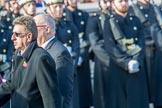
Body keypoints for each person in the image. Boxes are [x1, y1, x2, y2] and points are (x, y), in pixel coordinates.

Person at [0, 15, 61, 108]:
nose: (12, 38)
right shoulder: (18, 55)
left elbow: (50, 98)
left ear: (29, 36)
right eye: (12, 34)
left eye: (16, 34)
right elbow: (10, 85)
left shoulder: (41, 58)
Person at [103, 0, 149, 108]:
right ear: (113, 4)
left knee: (138, 102)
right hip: (119, 70)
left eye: (126, 1)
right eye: (120, 1)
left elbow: (141, 42)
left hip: (137, 68)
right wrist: (127, 62)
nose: (124, 3)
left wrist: (136, 60)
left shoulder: (136, 20)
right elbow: (111, 47)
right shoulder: (108, 22)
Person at [44, 0, 80, 108]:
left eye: (60, 6)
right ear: (48, 8)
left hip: (70, 69)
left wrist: (72, 64)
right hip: (53, 72)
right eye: (55, 7)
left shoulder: (69, 25)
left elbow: (76, 47)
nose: (59, 9)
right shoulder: (45, 28)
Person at [33, 13, 74, 108]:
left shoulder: (60, 53)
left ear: (47, 29)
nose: (31, 31)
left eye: (34, 27)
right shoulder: (39, 50)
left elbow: (63, 92)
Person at [129, 0, 162, 107]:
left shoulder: (155, 8)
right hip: (142, 51)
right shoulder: (132, 9)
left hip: (157, 49)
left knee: (158, 88)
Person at [63, 0, 93, 108]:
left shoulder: (84, 14)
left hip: (83, 55)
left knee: (84, 87)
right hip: (68, 57)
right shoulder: (63, 15)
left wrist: (82, 54)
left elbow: (88, 36)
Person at [86, 0, 111, 107]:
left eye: (110, 1)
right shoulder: (94, 19)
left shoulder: (120, 18)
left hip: (120, 60)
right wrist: (111, 60)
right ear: (100, 4)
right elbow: (95, 43)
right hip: (103, 61)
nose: (108, 4)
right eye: (105, 2)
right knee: (103, 95)